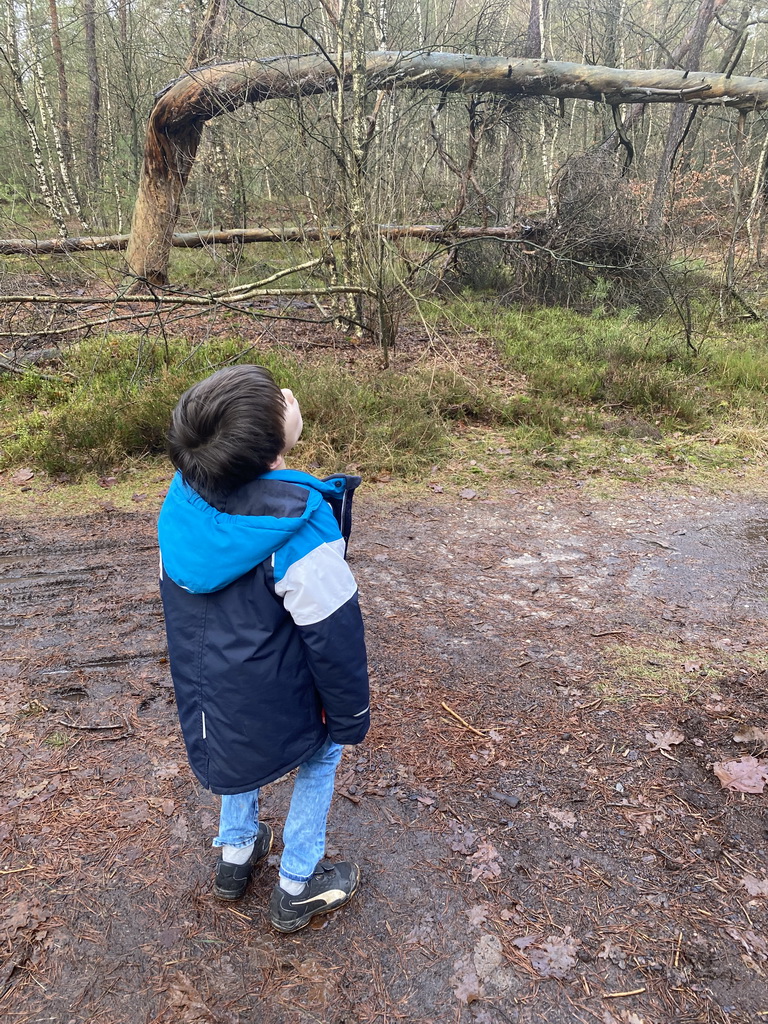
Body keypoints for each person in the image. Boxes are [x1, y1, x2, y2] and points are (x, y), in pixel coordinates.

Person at [157, 364, 370, 933]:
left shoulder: (180, 510)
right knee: (322, 756)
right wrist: (350, 715)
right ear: (273, 441)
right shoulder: (302, 529)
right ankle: (296, 886)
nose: (289, 398)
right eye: (280, 401)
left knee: (237, 743)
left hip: (212, 694)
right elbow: (335, 635)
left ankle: (235, 857)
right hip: (285, 692)